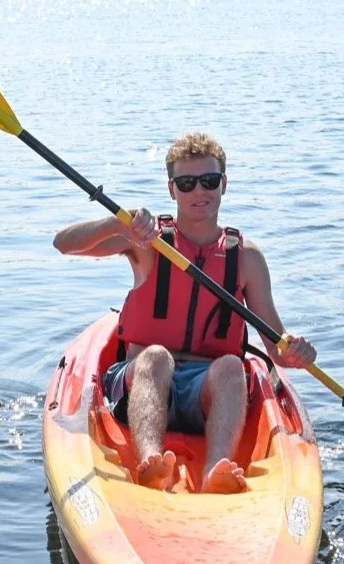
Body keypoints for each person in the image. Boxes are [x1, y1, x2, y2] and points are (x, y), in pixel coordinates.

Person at [53, 132, 316, 494]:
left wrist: (298, 351)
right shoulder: (147, 241)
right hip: (139, 379)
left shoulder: (247, 258)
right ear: (172, 189)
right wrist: (118, 222)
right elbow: (64, 244)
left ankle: (216, 470)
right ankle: (151, 462)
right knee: (157, 357)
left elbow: (278, 350)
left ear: (223, 184)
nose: (199, 192)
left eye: (208, 181)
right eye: (187, 183)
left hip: (207, 389)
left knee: (230, 366)